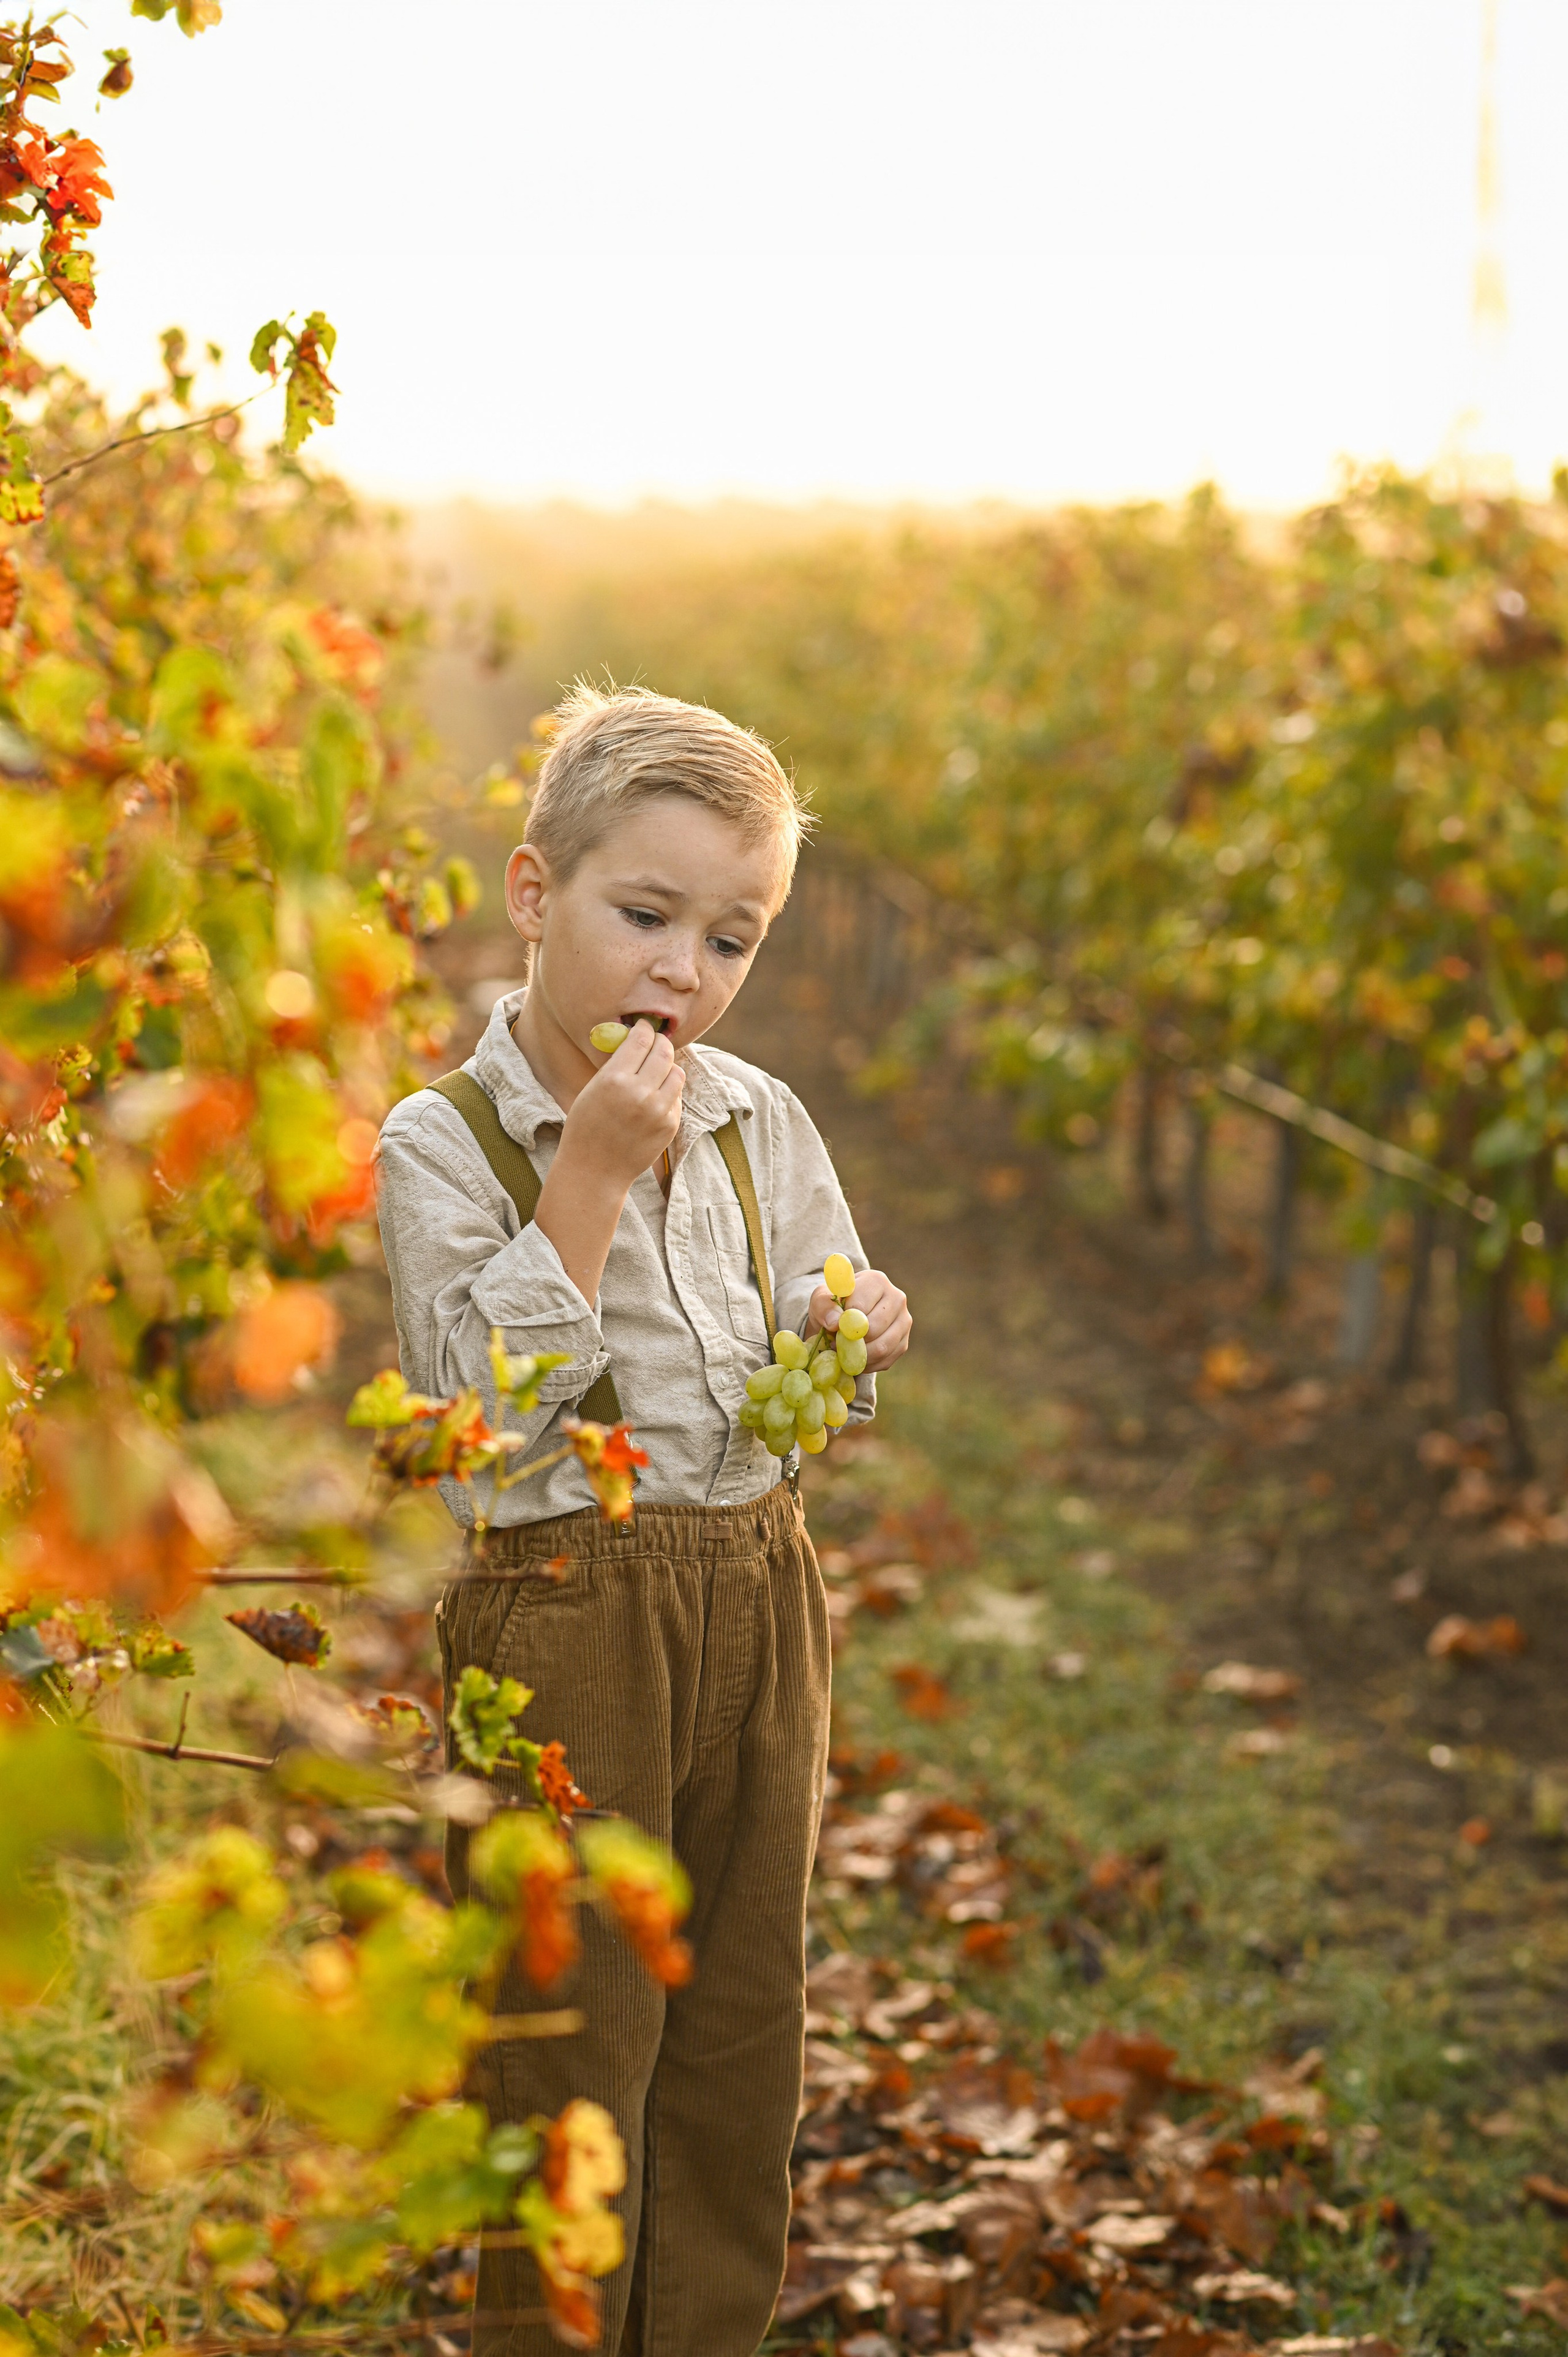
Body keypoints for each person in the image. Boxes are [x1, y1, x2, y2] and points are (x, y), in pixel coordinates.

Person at [374, 684, 913, 2356]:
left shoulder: (762, 1121)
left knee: (742, 2021)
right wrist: (588, 1183)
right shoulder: (444, 1145)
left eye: (733, 937)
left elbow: (795, 1346)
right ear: (535, 898)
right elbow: (473, 1441)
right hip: (563, 1617)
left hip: (760, 1596)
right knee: (571, 2040)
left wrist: (857, 1330)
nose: (687, 973)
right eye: (647, 916)